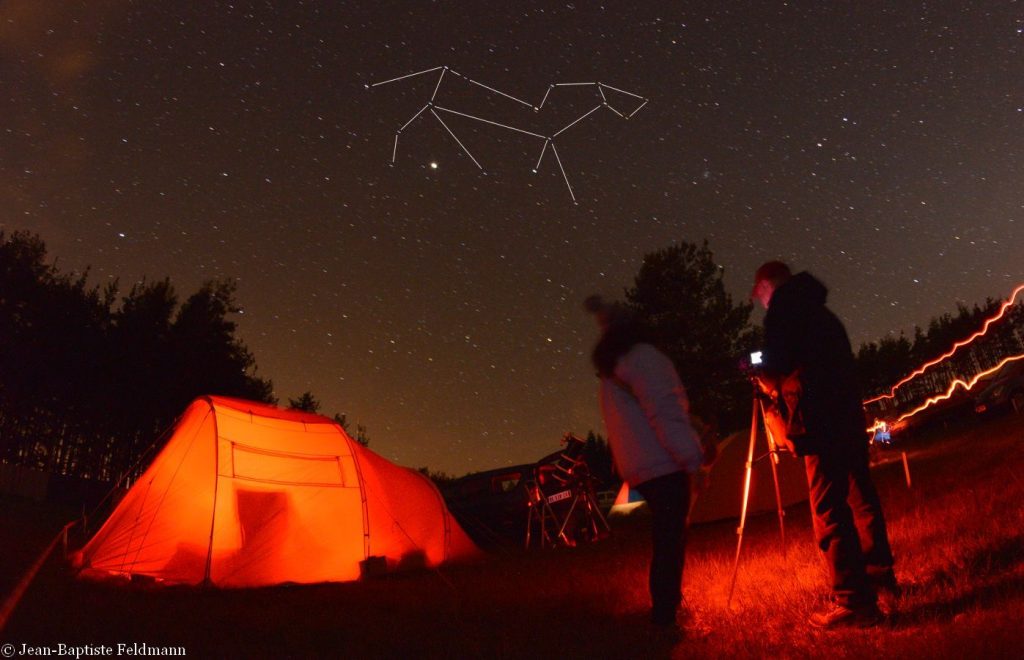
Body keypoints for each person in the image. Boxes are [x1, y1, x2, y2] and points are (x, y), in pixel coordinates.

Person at [750, 261, 898, 628]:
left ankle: (854, 601)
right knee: (860, 494)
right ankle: (880, 575)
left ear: (768, 287)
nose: (760, 301)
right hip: (846, 413)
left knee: (829, 509)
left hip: (818, 420)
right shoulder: (820, 311)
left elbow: (779, 364)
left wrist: (764, 380)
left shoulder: (784, 309)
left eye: (759, 294)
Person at [585, 295, 704, 627]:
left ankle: (667, 608)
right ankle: (665, 615)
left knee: (666, 538)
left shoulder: (613, 368)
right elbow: (665, 413)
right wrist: (692, 461)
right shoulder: (645, 359)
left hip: (639, 466)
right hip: (663, 462)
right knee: (670, 540)